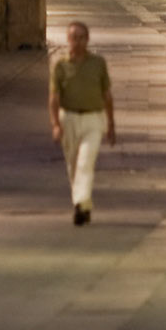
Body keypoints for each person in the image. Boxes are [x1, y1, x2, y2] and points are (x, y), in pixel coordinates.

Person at [49, 20, 116, 224]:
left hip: (93, 119)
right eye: (73, 38)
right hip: (68, 118)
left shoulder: (98, 63)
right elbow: (54, 98)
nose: (77, 42)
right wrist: (55, 125)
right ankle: (83, 204)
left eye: (81, 38)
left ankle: (79, 203)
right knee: (72, 164)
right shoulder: (60, 66)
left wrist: (111, 124)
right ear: (68, 40)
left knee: (85, 161)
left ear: (87, 40)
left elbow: (107, 95)